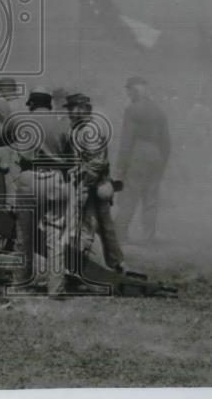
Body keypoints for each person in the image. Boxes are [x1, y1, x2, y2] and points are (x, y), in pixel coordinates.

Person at [9, 87, 74, 296]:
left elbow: (10, 149)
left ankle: (20, 283)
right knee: (55, 237)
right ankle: (56, 288)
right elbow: (71, 156)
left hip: (29, 178)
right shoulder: (63, 122)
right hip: (56, 178)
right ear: (49, 105)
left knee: (24, 236)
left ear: (31, 105)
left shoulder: (23, 121)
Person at [65, 92, 125, 273]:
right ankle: (117, 263)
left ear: (83, 109)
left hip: (92, 185)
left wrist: (83, 185)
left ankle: (77, 266)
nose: (70, 112)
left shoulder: (88, 129)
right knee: (105, 227)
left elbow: (97, 162)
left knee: (87, 225)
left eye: (73, 108)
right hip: (98, 184)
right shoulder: (85, 127)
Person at [114, 76, 171, 243]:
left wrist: (121, 166)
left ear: (133, 90)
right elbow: (166, 141)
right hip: (156, 155)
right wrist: (162, 163)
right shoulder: (159, 110)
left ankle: (120, 234)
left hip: (138, 154)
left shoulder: (133, 110)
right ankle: (149, 237)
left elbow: (127, 140)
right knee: (151, 199)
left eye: (129, 91)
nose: (128, 94)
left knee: (130, 195)